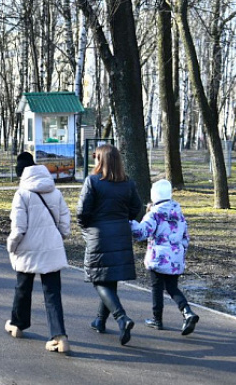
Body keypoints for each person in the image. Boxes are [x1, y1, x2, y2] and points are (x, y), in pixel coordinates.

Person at [76, 144, 143, 346]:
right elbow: (137, 208)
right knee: (109, 278)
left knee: (98, 279)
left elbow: (82, 211)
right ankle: (100, 320)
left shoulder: (93, 181)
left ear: (101, 160)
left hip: (98, 234)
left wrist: (86, 227)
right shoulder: (128, 183)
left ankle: (122, 317)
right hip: (120, 234)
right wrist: (122, 220)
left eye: (96, 157)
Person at [4, 156, 72, 353]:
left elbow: (19, 227)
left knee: (22, 288)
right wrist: (60, 236)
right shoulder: (55, 192)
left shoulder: (22, 194)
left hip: (27, 248)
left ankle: (18, 324)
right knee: (52, 293)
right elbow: (65, 221)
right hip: (51, 247)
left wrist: (11, 245)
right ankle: (59, 336)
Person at [131, 179, 200, 335]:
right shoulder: (178, 212)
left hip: (158, 258)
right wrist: (180, 251)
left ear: (154, 195)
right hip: (175, 258)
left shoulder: (154, 214)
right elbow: (185, 237)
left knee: (157, 288)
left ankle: (157, 319)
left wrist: (130, 223)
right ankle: (187, 312)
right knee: (172, 287)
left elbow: (141, 233)